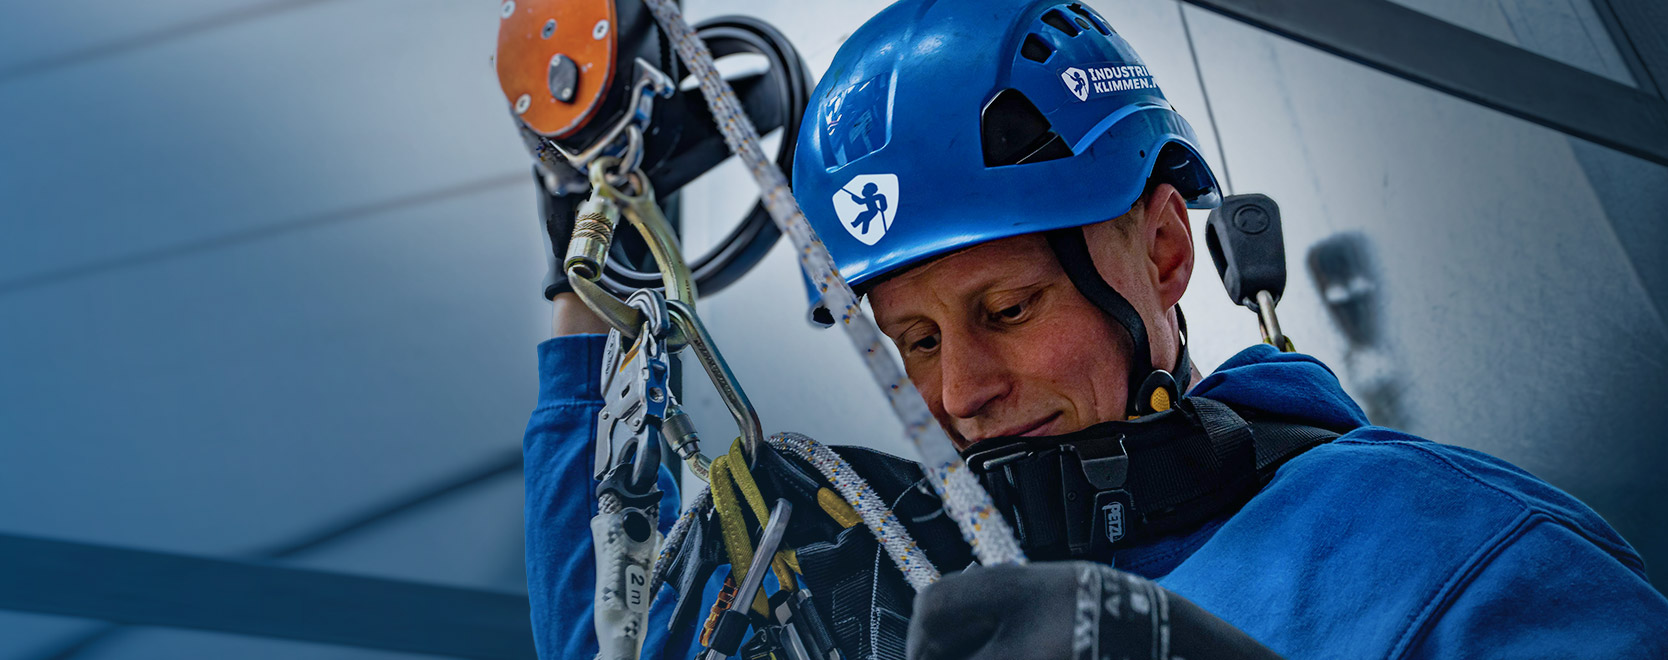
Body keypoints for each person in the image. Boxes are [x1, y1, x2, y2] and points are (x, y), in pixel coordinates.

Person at [523, 1, 1668, 658]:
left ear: (1163, 254)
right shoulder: (895, 592)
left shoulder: (1438, 548)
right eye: (910, 342)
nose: (959, 389)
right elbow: (616, 629)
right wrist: (591, 239)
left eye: (1006, 310)